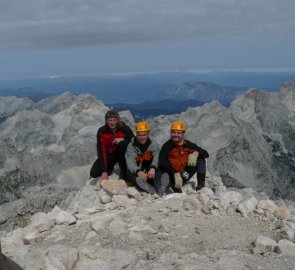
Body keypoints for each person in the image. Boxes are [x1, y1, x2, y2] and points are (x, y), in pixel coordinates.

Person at [159, 121, 209, 193]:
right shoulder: (167, 145)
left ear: (183, 134)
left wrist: (196, 153)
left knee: (201, 159)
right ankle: (169, 185)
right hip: (172, 174)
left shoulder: (188, 144)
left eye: (178, 133)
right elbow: (162, 160)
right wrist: (175, 173)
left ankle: (201, 186)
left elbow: (206, 154)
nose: (176, 135)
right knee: (177, 190)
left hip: (184, 174)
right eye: (173, 132)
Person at [90, 109, 134, 180]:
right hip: (110, 155)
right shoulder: (102, 131)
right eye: (110, 120)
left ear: (117, 120)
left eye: (114, 120)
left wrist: (123, 139)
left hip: (122, 154)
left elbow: (134, 140)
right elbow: (101, 151)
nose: (112, 122)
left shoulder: (124, 128)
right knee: (94, 173)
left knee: (121, 144)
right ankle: (109, 169)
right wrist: (104, 170)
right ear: (106, 121)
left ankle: (124, 171)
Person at [125, 121, 164, 195]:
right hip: (138, 171)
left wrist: (153, 168)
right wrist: (138, 171)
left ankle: (159, 187)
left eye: (144, 135)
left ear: (148, 134)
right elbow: (130, 162)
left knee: (158, 169)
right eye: (139, 135)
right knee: (129, 173)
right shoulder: (131, 146)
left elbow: (157, 157)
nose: (142, 137)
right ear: (136, 134)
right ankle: (146, 187)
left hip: (150, 171)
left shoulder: (153, 144)